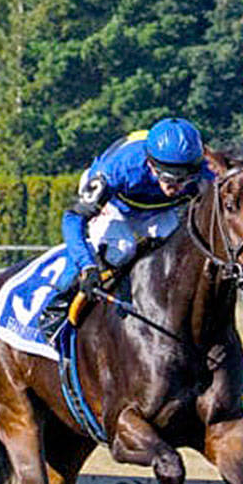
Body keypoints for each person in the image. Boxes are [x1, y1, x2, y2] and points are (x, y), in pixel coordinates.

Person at [39, 117, 214, 334]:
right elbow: (72, 218)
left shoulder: (206, 172)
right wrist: (87, 266)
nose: (177, 186)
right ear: (151, 165)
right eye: (169, 178)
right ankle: (57, 307)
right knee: (121, 249)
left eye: (186, 178)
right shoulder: (119, 170)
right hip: (114, 203)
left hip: (157, 209)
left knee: (179, 247)